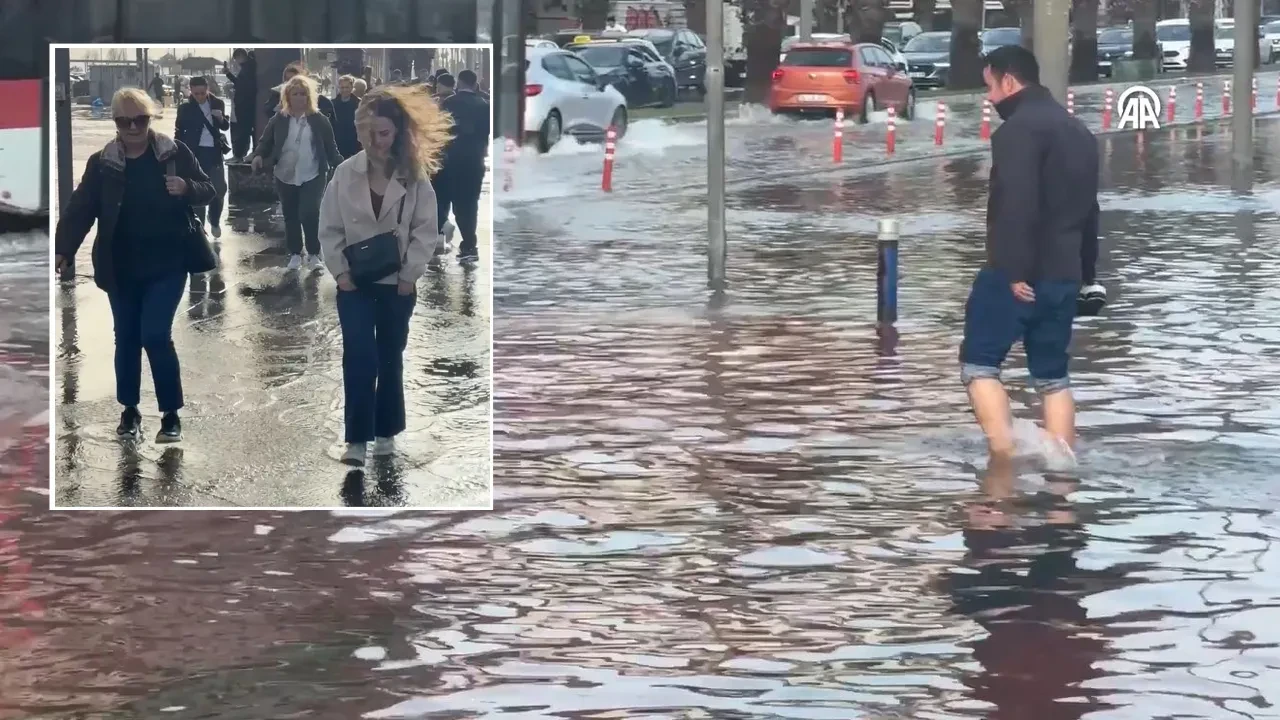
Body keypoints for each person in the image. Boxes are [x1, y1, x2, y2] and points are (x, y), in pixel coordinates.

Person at [960, 45, 1100, 465]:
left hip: (1018, 273)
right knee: (1053, 378)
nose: (990, 99)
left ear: (1008, 81)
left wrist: (1013, 269)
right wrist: (1087, 276)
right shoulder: (1080, 131)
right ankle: (1062, 478)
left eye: (990, 87)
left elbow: (1016, 203)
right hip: (1064, 275)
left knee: (979, 365)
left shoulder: (1017, 131)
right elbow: (1090, 209)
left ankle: (1002, 466)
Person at [53, 88, 217, 443]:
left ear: (150, 119)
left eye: (139, 119)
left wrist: (187, 186)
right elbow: (81, 207)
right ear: (114, 122)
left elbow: (210, 188)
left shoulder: (173, 154)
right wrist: (63, 249)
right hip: (121, 266)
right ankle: (129, 411)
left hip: (168, 263)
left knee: (155, 335)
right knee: (126, 338)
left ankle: (170, 415)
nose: (132, 127)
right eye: (124, 121)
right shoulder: (103, 163)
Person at [319, 85, 451, 466]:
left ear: (397, 132)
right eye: (366, 132)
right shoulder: (345, 174)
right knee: (359, 356)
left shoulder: (415, 177)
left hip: (398, 285)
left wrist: (410, 275)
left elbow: (427, 229)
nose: (374, 141)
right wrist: (340, 273)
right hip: (355, 284)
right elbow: (329, 227)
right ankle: (356, 439)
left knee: (390, 357)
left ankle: (386, 431)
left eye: (383, 132)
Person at [251, 74, 343, 271]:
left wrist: (343, 167)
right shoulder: (279, 119)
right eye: (295, 94)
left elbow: (331, 148)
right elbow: (265, 142)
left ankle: (314, 253)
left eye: (303, 93)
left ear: (309, 96)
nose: (299, 97)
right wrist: (258, 156)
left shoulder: (319, 120)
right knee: (290, 214)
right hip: (285, 173)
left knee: (309, 212)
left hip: (313, 173)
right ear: (287, 96)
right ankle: (294, 253)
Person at [436, 69, 490, 266]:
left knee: (442, 201)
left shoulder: (449, 103)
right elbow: (485, 136)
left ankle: (441, 235)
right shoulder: (484, 105)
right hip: (474, 162)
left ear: (458, 83)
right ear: (475, 84)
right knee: (469, 205)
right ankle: (469, 245)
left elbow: (440, 133)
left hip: (450, 161)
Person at [174, 76, 229, 238]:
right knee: (198, 190)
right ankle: (201, 228)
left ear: (208, 89)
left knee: (219, 188)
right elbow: (178, 131)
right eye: (196, 93)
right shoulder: (185, 108)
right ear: (190, 90)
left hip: (214, 152)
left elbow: (225, 126)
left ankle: (215, 220)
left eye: (202, 93)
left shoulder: (217, 103)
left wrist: (219, 118)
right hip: (194, 153)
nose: (199, 97)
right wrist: (177, 151)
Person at [265, 62, 336, 127]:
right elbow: (269, 113)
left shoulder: (322, 101)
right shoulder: (277, 97)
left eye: (294, 79)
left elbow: (329, 126)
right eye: (287, 80)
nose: (291, 83)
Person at [223, 48, 258, 161]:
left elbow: (242, 86)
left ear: (239, 56)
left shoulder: (247, 68)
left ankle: (239, 156)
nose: (236, 62)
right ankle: (241, 155)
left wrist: (228, 74)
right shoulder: (249, 67)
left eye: (236, 59)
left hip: (245, 106)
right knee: (245, 132)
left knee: (243, 132)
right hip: (246, 105)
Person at [331, 74, 362, 158]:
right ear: (339, 88)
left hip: (354, 143)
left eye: (347, 87)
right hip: (338, 143)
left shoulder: (359, 104)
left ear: (352, 88)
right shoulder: (332, 104)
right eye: (342, 87)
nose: (344, 90)